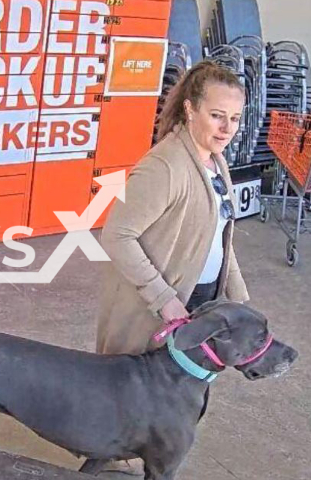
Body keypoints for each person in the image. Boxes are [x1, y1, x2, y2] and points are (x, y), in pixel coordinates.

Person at [94, 61, 250, 476]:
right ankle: (110, 461)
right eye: (217, 115)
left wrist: (239, 299)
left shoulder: (216, 162)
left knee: (182, 394)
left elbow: (219, 236)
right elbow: (117, 235)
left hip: (201, 300)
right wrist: (164, 299)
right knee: (134, 399)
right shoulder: (164, 166)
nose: (227, 127)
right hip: (160, 306)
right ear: (189, 110)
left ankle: (153, 458)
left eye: (235, 118)